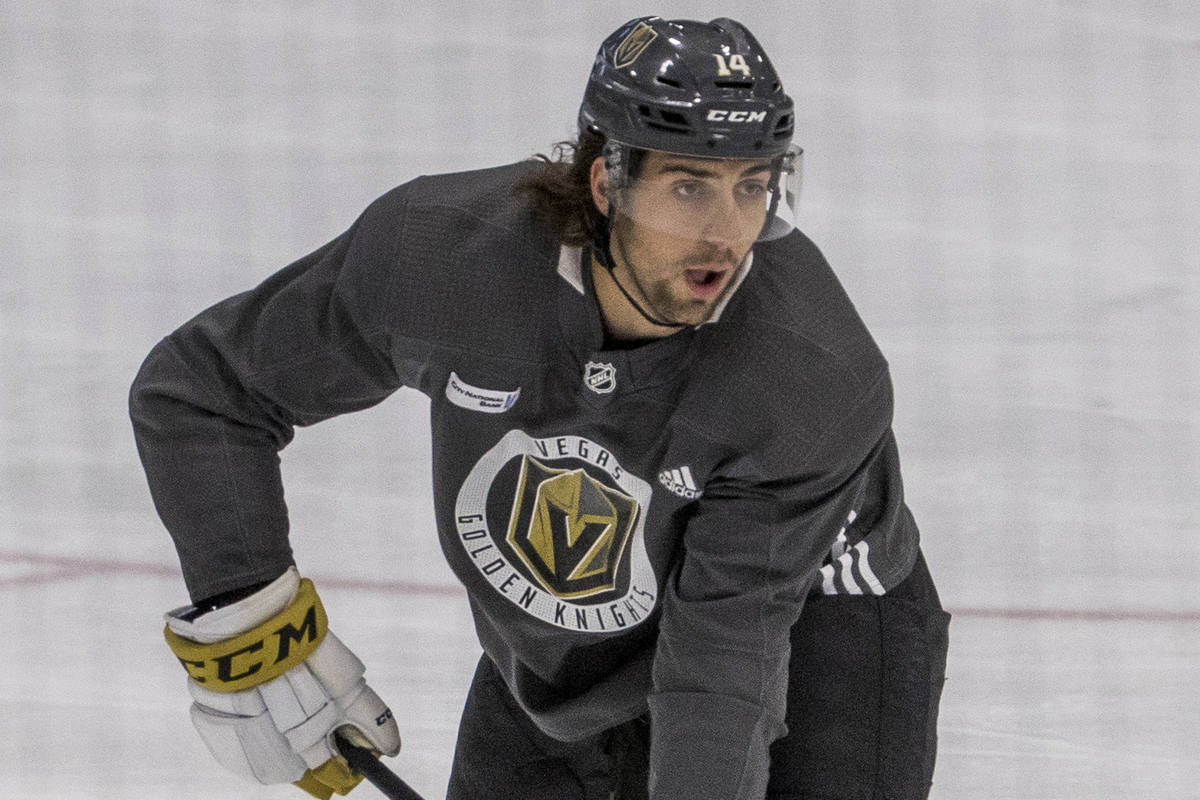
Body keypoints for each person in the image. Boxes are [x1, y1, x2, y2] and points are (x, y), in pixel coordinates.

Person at [131, 15, 950, 800]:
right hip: (570, 635)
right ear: (607, 180)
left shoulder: (809, 373)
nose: (726, 234)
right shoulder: (441, 259)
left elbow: (724, 667)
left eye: (753, 188)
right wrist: (254, 624)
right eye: (689, 186)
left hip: (815, 626)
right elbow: (203, 392)